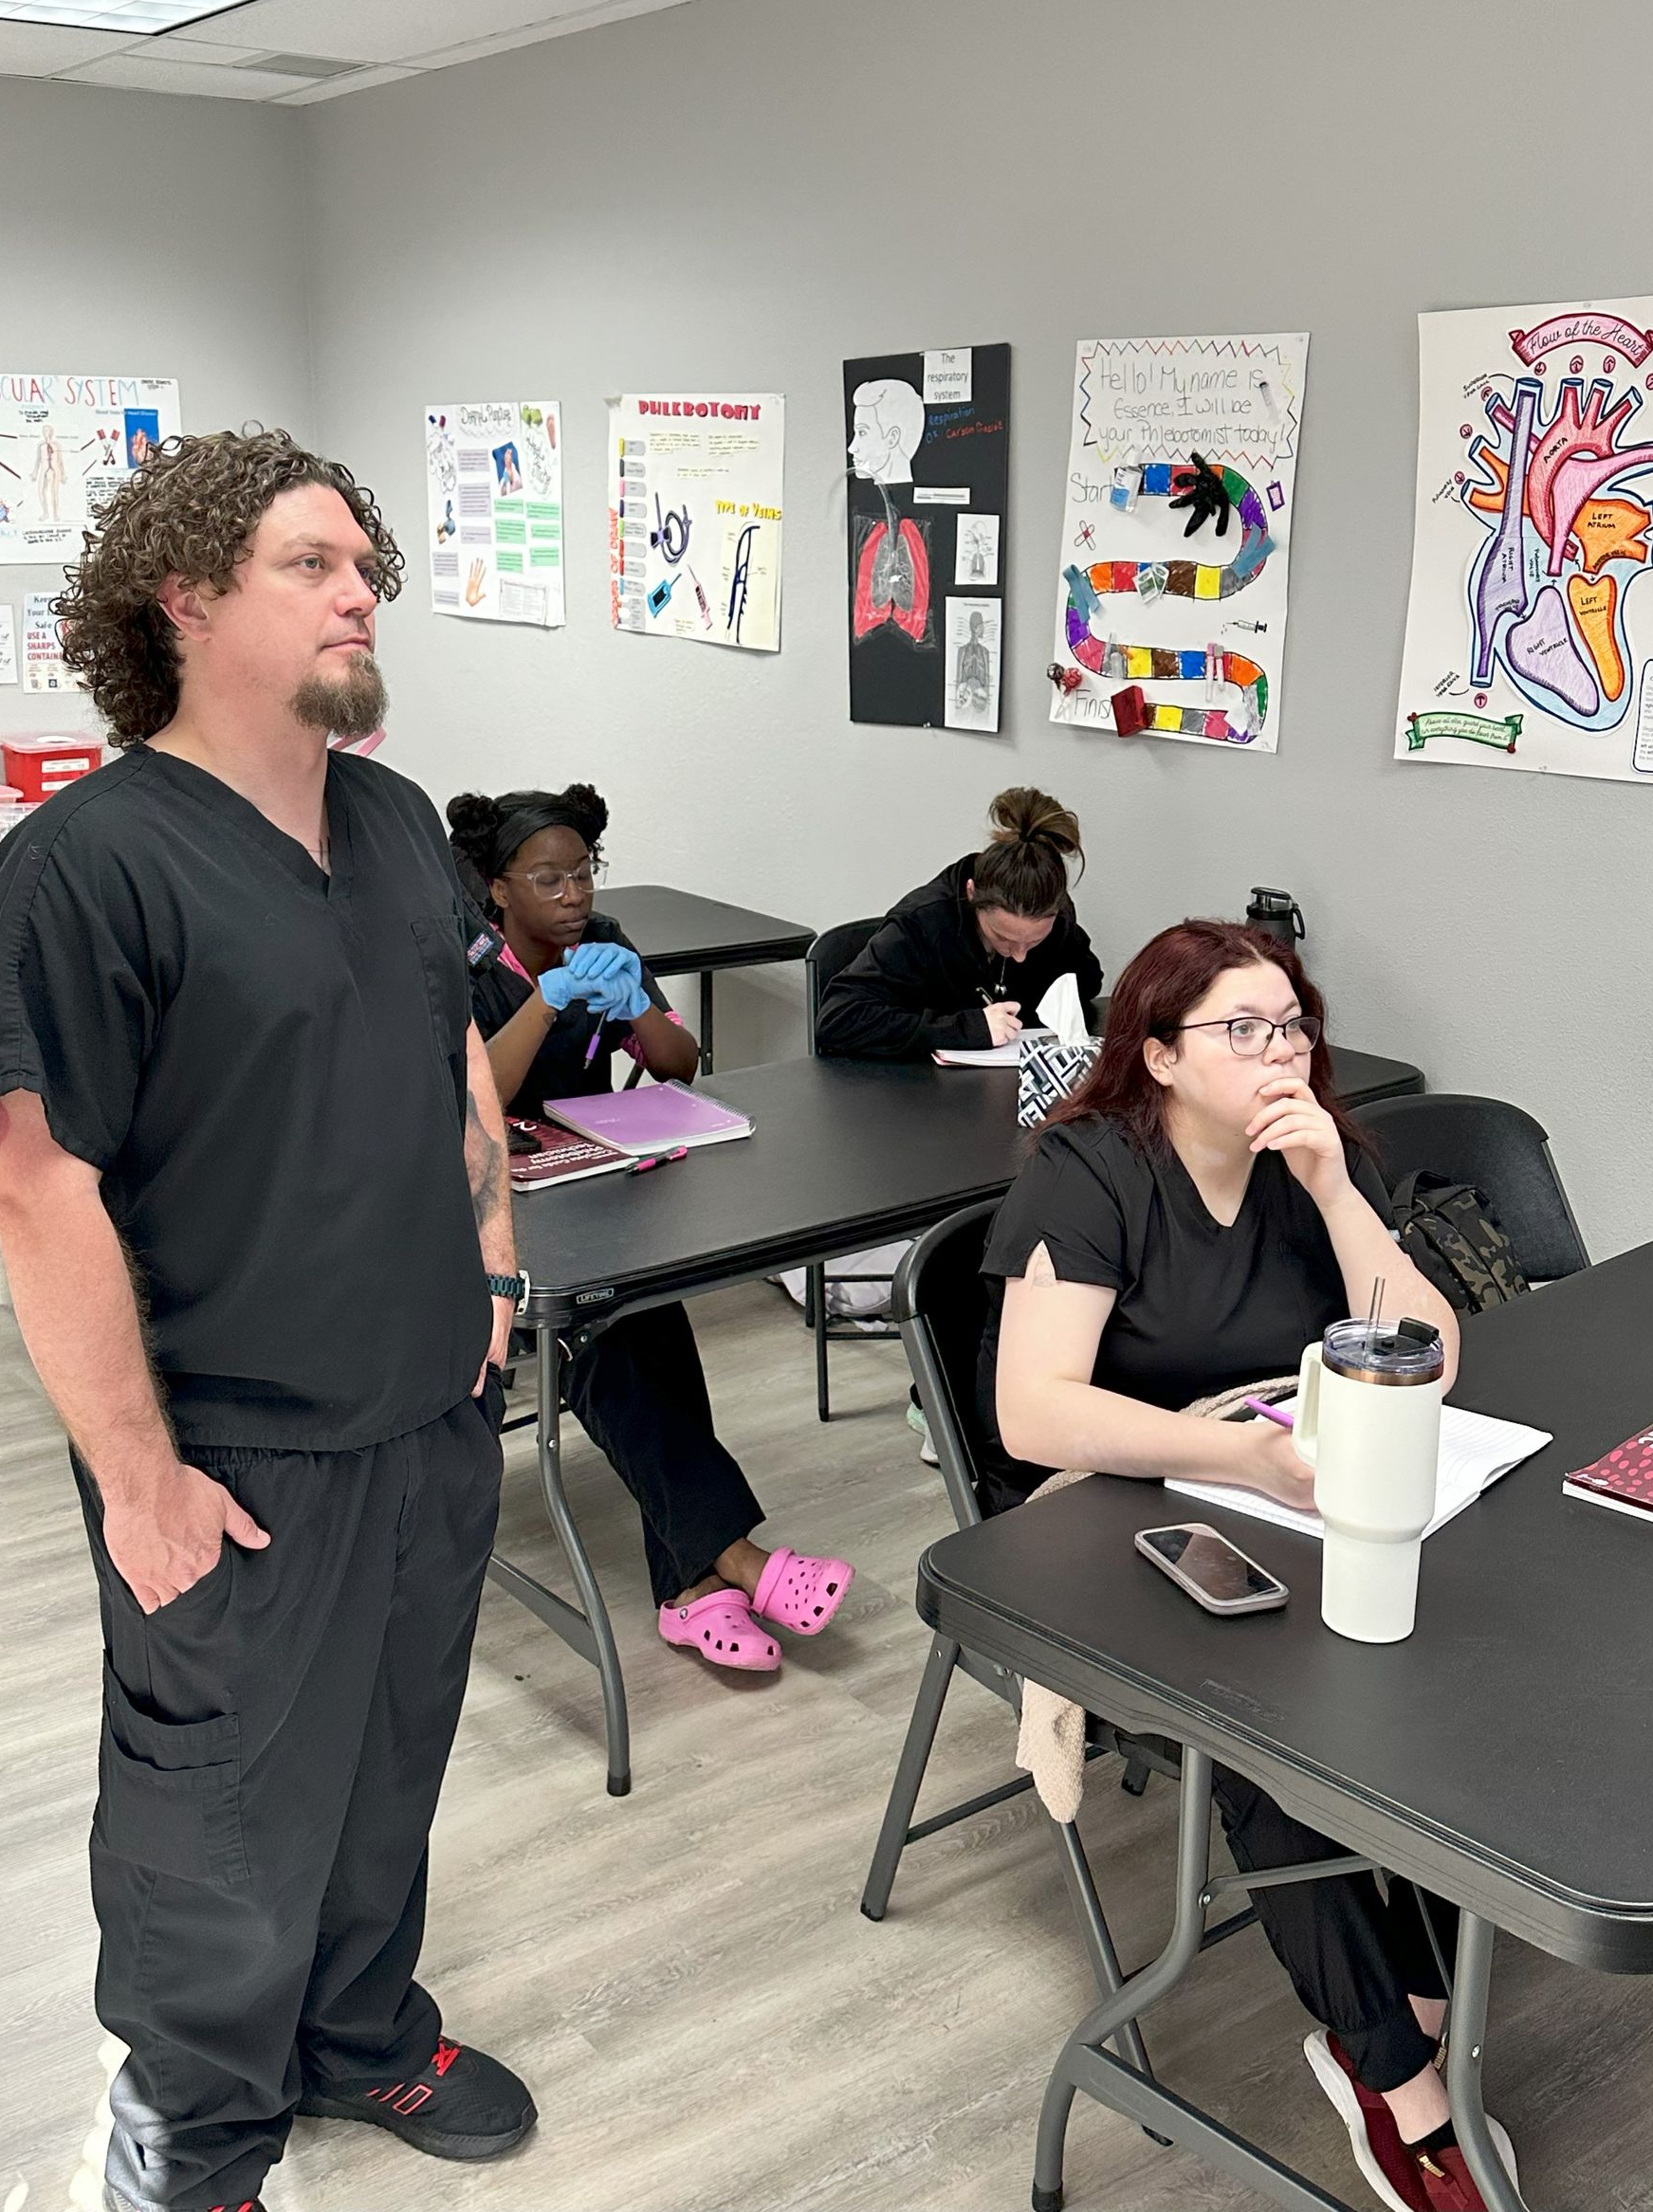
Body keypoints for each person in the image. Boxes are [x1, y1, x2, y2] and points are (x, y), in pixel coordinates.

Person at [0, 428, 536, 2212]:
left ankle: (360, 2032)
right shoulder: (89, 866)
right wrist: (137, 1481)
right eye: (314, 560)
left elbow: (451, 1052)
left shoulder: (387, 817)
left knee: (387, 1763)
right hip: (235, 1451)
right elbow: (37, 1188)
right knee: (218, 1824)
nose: (365, 585)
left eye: (367, 562)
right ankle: (194, 2132)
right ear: (188, 599)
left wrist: (496, 1264)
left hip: (430, 1412)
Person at [982, 920, 1515, 2212]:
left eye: (1293, 1025)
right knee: (1270, 1748)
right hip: (1115, 1510)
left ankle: (1422, 1981)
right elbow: (1031, 1416)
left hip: (1288, 1486)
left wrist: (1337, 1192)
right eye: (1244, 1029)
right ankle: (1396, 2075)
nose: (1282, 1052)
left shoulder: (1308, 1159)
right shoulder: (1090, 1170)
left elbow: (1429, 1355)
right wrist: (1229, 1461)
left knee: (1447, 1675)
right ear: (1159, 1054)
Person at [448, 783, 854, 1675]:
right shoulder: (463, 961)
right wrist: (547, 1002)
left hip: (594, 1185)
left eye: (583, 875)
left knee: (641, 1316)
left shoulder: (605, 944)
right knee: (618, 1329)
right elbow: (476, 1099)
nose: (572, 896)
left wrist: (635, 1005)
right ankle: (733, 1561)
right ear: (498, 889)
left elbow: (680, 1061)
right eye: (546, 880)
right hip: (492, 1212)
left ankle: (695, 1587)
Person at [815, 786, 1102, 1061]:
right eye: (1003, 938)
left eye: (1035, 941)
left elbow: (1086, 982)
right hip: (915, 1092)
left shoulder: (1058, 918)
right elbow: (838, 1018)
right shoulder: (922, 924)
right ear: (971, 893)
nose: (1020, 955)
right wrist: (967, 1028)